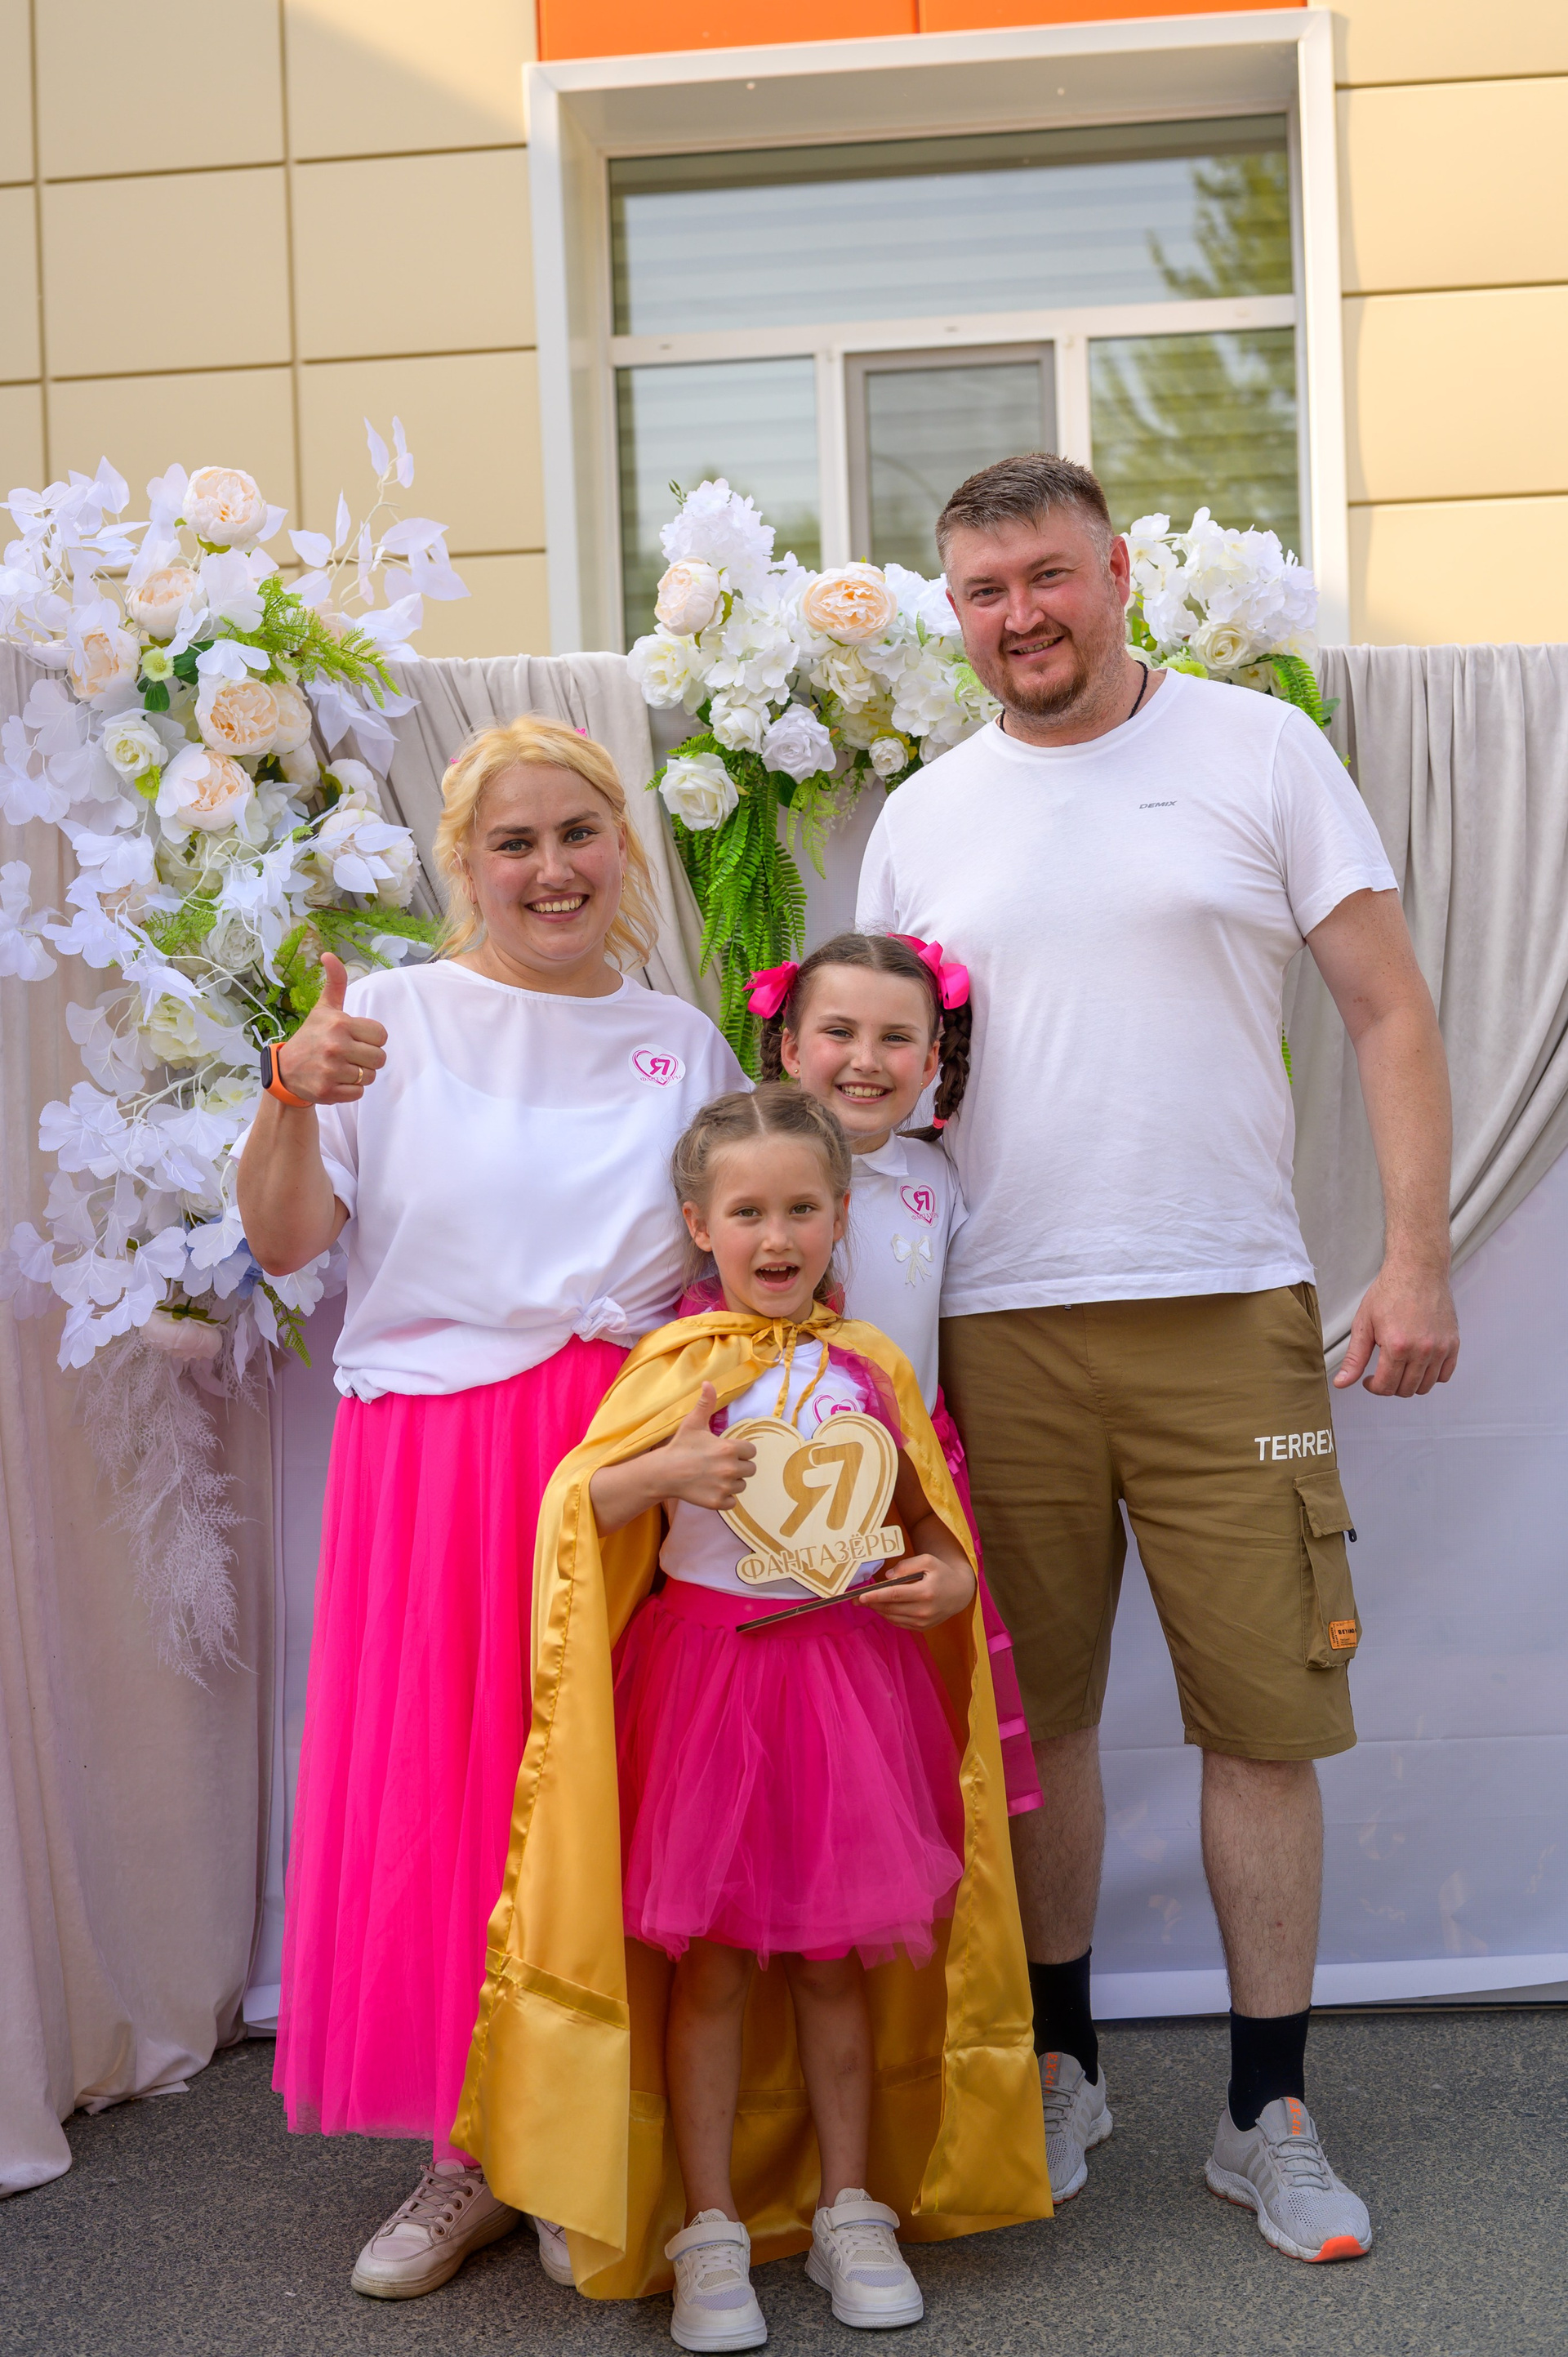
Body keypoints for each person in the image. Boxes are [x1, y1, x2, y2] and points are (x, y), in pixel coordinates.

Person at [856, 452, 1459, 2262]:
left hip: (1227, 1308)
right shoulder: (923, 815)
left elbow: (1388, 1006)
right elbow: (877, 1087)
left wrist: (1413, 1256)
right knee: (1030, 1726)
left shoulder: (1259, 752)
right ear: (954, 612)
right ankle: (1064, 2070)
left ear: (1118, 572)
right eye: (984, 591)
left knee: (1264, 1720)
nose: (1021, 615)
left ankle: (1268, 2111)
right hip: (993, 1319)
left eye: (1049, 575)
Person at [238, 715, 744, 2300]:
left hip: (627, 1457)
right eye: (513, 842)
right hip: (438, 1465)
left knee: (618, 1800)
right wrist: (287, 1093)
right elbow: (286, 1242)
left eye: (578, 834)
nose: (551, 868)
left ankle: (590, 2136)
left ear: (622, 849)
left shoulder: (681, 1042)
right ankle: (469, 2153)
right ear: (466, 863)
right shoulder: (385, 1020)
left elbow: (742, 1257)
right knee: (458, 1798)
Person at [450, 1085, 1050, 2340]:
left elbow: (930, 1526)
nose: (776, 1237)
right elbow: (578, 1507)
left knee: (835, 1967)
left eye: (802, 1209)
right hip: (705, 1699)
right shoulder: (672, 1367)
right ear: (699, 1224)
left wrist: (944, 1580)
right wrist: (669, 1469)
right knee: (713, 1970)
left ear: (840, 1218)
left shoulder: (872, 1369)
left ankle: (851, 2209)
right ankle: (710, 2227)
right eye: (747, 1213)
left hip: (841, 1697)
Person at [754, 929, 1040, 1818]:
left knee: (899, 1716)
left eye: (897, 1038)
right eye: (839, 1032)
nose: (867, 1061)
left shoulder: (936, 1178)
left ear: (933, 1060)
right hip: (773, 1483)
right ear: (790, 1047)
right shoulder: (747, 1167)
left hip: (908, 1484)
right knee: (792, 1715)